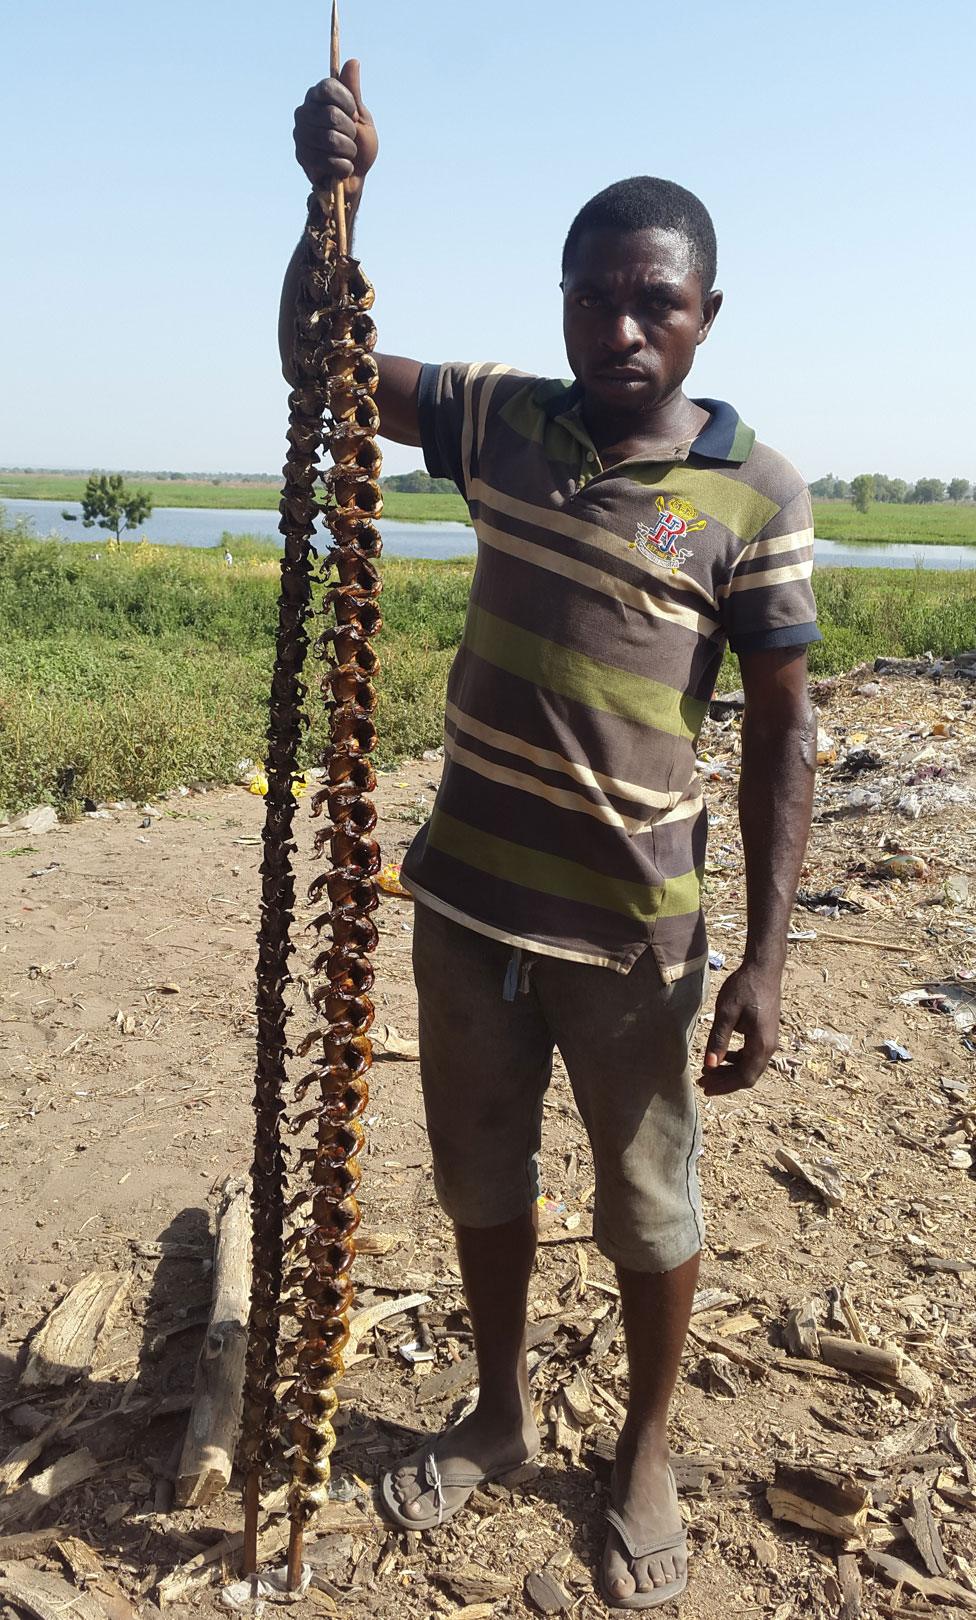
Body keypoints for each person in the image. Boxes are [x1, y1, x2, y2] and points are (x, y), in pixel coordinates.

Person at [283, 63, 818, 1611]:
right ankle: (504, 1415)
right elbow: (320, 363)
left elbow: (785, 735)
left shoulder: (756, 492)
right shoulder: (501, 421)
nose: (623, 330)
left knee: (650, 1206)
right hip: (466, 904)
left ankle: (644, 1444)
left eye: (655, 302)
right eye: (597, 299)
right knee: (480, 1179)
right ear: (566, 301)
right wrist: (339, 200)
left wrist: (767, 964)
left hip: (633, 931)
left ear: (709, 311)